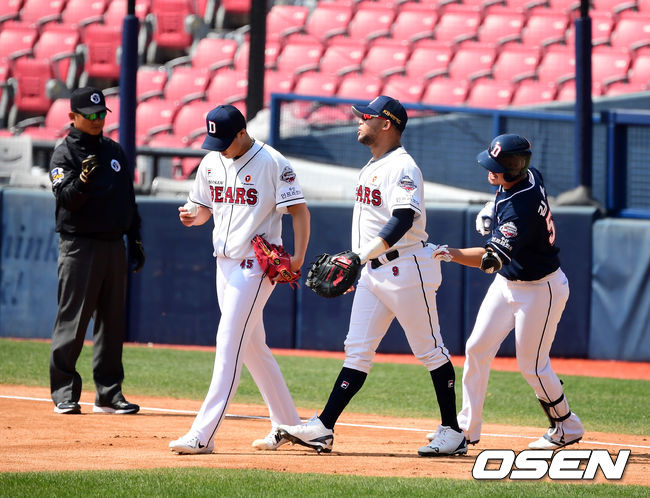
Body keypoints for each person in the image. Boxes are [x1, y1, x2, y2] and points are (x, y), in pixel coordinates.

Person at [278, 96, 466, 457]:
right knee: (357, 350)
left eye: (367, 116)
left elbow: (403, 219)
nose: (359, 121)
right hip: (374, 272)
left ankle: (452, 431)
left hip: (409, 268)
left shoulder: (403, 166)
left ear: (387, 124)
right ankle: (323, 427)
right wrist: (359, 265)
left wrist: (358, 257)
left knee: (430, 349)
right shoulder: (372, 165)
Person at [169, 104, 310, 454]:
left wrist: (299, 257)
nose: (218, 147)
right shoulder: (212, 160)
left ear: (242, 133)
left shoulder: (273, 162)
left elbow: (299, 211)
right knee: (252, 347)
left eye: (224, 140)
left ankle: (203, 434)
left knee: (229, 344)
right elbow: (203, 209)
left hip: (256, 265)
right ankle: (290, 425)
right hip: (224, 263)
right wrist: (193, 216)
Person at [431, 133, 584, 450]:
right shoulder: (528, 176)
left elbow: (490, 261)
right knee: (477, 348)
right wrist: (492, 206)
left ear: (514, 167)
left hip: (540, 291)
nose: (491, 170)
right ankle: (467, 429)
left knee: (533, 366)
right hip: (510, 283)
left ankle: (567, 425)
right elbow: (508, 202)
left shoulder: (518, 210)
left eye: (498, 166)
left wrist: (451, 253)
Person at [48, 86, 145, 415]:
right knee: (73, 320)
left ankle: (108, 392)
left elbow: (128, 201)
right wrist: (83, 181)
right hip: (80, 245)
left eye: (101, 113)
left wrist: (135, 239)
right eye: (89, 115)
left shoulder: (114, 151)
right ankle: (64, 390)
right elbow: (66, 200)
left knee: (112, 322)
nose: (96, 119)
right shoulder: (64, 154)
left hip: (112, 244)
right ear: (72, 117)